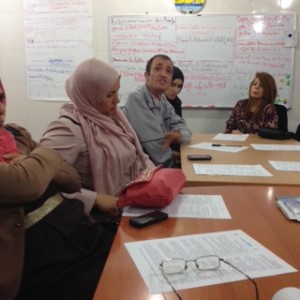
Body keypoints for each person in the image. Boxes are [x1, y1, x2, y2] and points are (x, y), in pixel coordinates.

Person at [0, 79, 114, 300]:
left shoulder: (15, 133)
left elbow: (71, 179)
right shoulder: (64, 127)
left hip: (77, 232)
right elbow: (28, 183)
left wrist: (30, 162)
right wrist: (42, 159)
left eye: (1, 98)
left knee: (128, 263)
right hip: (40, 261)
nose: (0, 108)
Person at [40, 58, 154, 222]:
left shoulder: (113, 119)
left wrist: (155, 176)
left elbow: (137, 156)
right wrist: (95, 199)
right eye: (109, 95)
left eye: (117, 91)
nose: (117, 100)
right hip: (96, 221)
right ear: (89, 94)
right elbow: (44, 183)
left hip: (129, 208)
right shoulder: (67, 129)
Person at [123, 54, 192, 168]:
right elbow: (155, 147)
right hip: (141, 170)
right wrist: (174, 162)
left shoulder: (162, 99)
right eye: (157, 68)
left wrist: (178, 135)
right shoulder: (137, 98)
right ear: (147, 76)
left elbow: (185, 129)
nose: (163, 74)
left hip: (157, 165)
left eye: (168, 71)